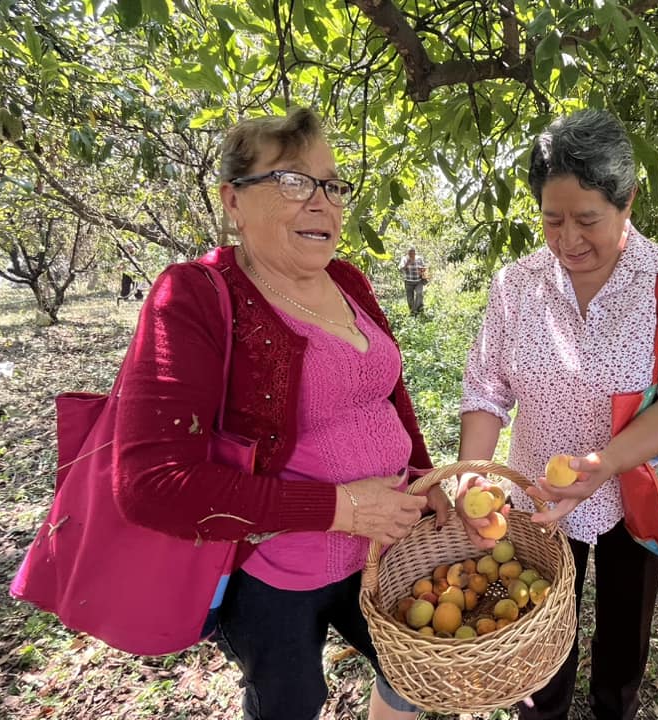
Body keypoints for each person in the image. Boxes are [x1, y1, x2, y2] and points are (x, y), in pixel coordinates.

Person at [112, 107, 450, 720]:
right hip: (274, 574)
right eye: (293, 181)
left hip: (385, 549)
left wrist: (427, 482)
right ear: (233, 201)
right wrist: (343, 508)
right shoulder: (193, 296)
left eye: (332, 184)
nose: (323, 202)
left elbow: (389, 396)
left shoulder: (347, 279)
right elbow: (150, 485)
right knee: (289, 703)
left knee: (417, 673)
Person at [454, 109, 658, 720]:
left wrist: (605, 463)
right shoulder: (517, 284)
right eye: (552, 219)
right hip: (536, 497)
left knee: (625, 639)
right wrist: (474, 469)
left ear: (627, 200)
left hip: (635, 487)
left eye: (588, 219)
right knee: (537, 635)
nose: (568, 239)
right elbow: (487, 387)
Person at [399, 246, 428, 315]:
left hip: (418, 281)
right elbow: (400, 269)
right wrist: (407, 264)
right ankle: (412, 312)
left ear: (415, 253)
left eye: (413, 253)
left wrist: (422, 270)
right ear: (408, 253)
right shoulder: (404, 259)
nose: (412, 255)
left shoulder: (419, 258)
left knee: (419, 294)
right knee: (410, 298)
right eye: (410, 253)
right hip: (408, 281)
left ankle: (417, 309)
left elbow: (424, 267)